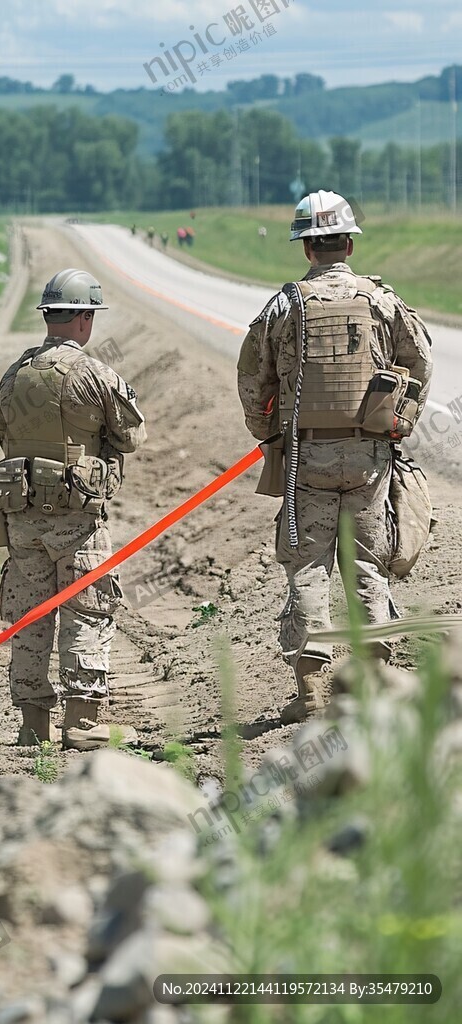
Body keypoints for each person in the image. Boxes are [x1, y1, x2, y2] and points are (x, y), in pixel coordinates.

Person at [237, 190, 433, 723]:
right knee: (367, 563)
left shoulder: (284, 306)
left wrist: (269, 435)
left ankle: (310, 693)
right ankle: (377, 685)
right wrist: (397, 423)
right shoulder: (381, 301)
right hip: (370, 456)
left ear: (306, 249)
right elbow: (419, 361)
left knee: (308, 566)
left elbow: (253, 379)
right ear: (348, 243)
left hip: (307, 457)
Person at [0, 268, 147, 750]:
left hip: (21, 519)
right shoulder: (94, 374)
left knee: (29, 614)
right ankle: (81, 722)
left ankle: (32, 724)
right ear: (82, 318)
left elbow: (1, 429)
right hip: (77, 521)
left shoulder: (14, 374)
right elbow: (133, 436)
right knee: (86, 609)